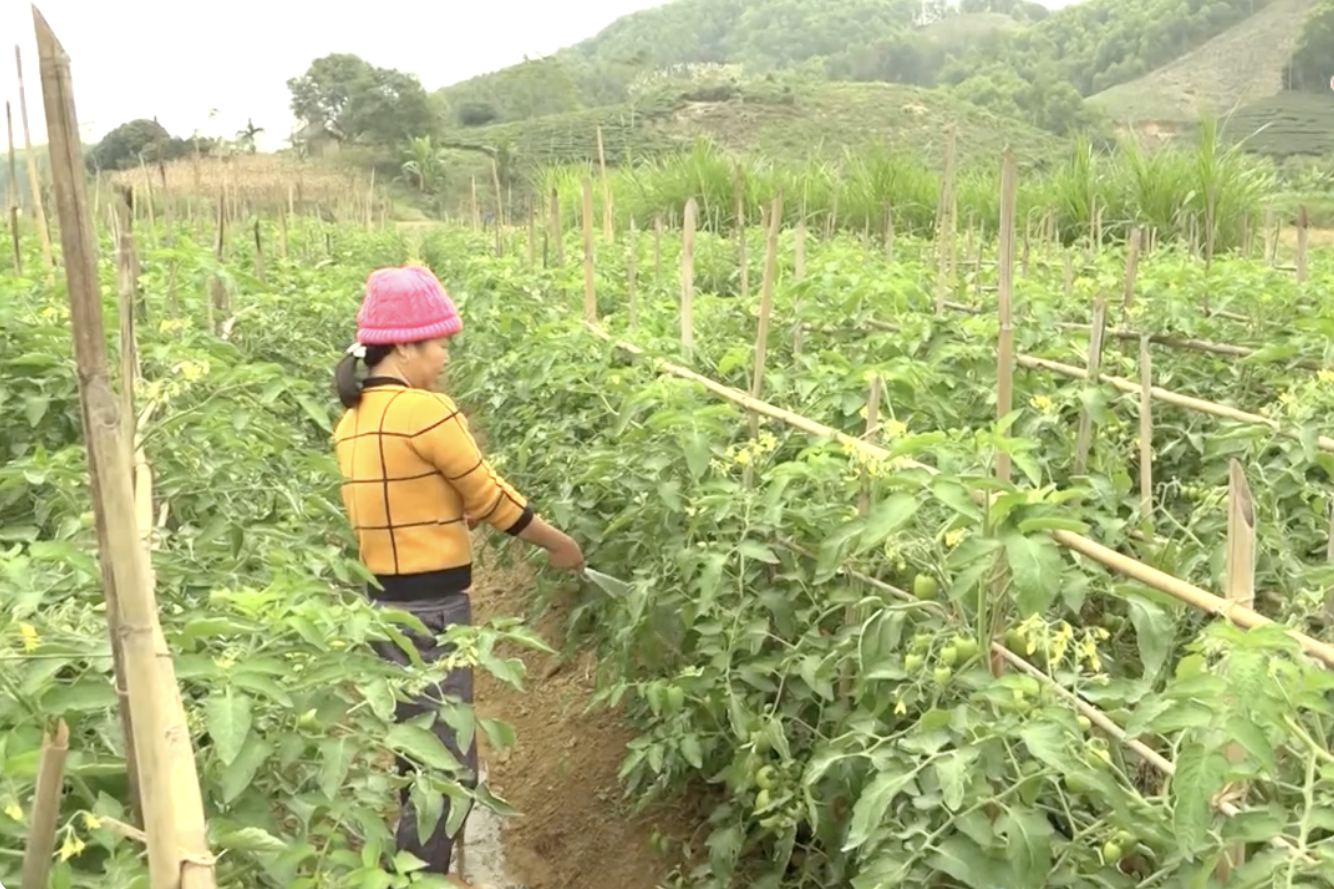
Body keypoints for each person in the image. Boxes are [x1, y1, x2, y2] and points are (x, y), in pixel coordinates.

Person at [331, 264, 585, 886]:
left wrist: (448, 517)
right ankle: (418, 878)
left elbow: (396, 506)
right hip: (434, 614)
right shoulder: (428, 412)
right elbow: (493, 498)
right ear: (407, 346)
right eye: (440, 344)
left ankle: (404, 870)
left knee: (413, 753)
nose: (445, 358)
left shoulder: (352, 421)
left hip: (380, 609)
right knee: (447, 772)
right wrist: (559, 544)